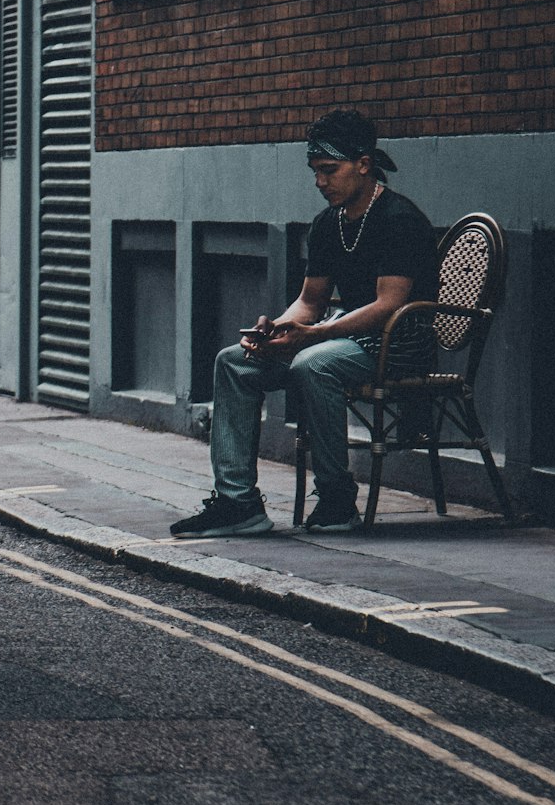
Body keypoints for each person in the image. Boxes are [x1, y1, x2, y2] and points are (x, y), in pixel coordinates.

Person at [170, 108, 438, 538]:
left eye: (329, 170)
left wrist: (315, 337)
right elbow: (310, 302)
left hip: (397, 341)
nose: (320, 182)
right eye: (315, 171)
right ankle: (238, 504)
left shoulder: (398, 220)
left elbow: (390, 305)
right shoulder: (328, 224)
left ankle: (336, 499)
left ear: (364, 165)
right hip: (342, 335)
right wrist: (276, 329)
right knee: (235, 361)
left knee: (313, 364)